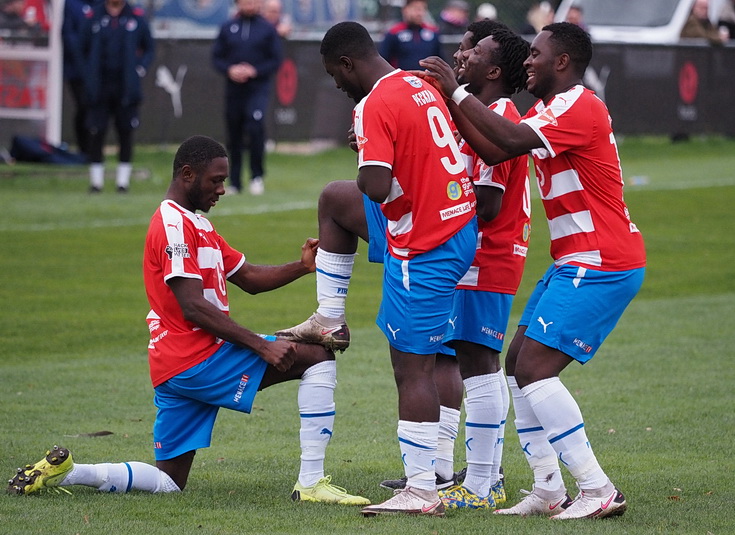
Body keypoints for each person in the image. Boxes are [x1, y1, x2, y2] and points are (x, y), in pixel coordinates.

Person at [6, 135, 370, 507]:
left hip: (173, 367)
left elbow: (249, 279)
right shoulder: (172, 226)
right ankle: (310, 483)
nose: (222, 189)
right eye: (215, 180)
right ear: (187, 174)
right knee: (316, 357)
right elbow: (192, 307)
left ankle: (71, 471)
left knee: (168, 481)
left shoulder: (198, 225)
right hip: (196, 359)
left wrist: (302, 266)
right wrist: (262, 345)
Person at [418, 21, 645, 520]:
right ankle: (547, 486)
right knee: (519, 364)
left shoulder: (579, 105)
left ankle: (597, 487)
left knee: (535, 368)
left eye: (537, 54)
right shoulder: (550, 108)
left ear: (562, 62)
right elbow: (498, 148)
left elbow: (510, 138)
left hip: (602, 259)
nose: (529, 62)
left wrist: (453, 92)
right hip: (574, 258)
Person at [280, 21, 478, 517]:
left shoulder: (371, 103)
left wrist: (369, 150)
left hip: (426, 241)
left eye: (334, 75)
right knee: (334, 200)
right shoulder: (414, 80)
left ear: (347, 64)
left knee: (412, 366)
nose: (337, 85)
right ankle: (329, 316)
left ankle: (420, 488)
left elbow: (374, 183)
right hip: (455, 221)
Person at [378, 20, 531, 512]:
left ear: (494, 68)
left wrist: (434, 204)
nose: (460, 56)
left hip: (488, 254)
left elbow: (487, 202)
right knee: (459, 357)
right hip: (470, 253)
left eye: (473, 51)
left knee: (480, 362)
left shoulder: (498, 112)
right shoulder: (478, 110)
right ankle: (454, 472)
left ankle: (485, 481)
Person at [79, 0, 154, 193]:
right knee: (96, 131)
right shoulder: (93, 16)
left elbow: (149, 47)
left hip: (126, 87)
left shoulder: (136, 16)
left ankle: (123, 182)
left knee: (126, 131)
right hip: (100, 86)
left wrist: (139, 68)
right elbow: (81, 46)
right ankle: (96, 182)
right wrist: (88, 73)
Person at [212, 0, 283, 196]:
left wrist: (255, 71)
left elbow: (275, 60)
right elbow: (217, 58)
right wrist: (230, 69)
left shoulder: (267, 29)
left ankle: (256, 176)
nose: (249, 4)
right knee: (234, 133)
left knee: (255, 125)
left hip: (257, 88)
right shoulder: (228, 27)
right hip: (234, 90)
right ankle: (234, 180)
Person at [62, 0, 95, 159]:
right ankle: (85, 149)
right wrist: (82, 60)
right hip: (77, 69)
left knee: (96, 108)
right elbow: (68, 34)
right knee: (84, 105)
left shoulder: (103, 5)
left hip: (99, 69)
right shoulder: (72, 4)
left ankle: (93, 149)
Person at [378, 0, 442, 71]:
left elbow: (440, 59)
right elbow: (384, 59)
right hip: (401, 79)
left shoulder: (433, 32)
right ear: (405, 10)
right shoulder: (394, 33)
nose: (419, 13)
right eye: (416, 9)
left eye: (422, 9)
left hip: (427, 79)